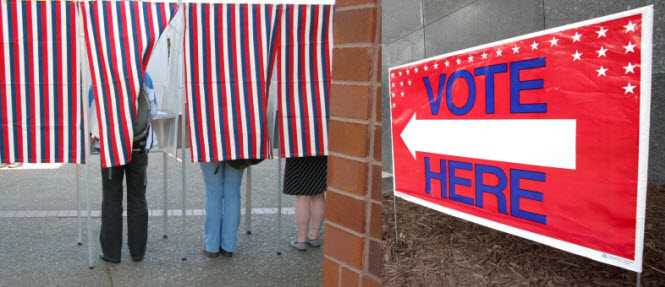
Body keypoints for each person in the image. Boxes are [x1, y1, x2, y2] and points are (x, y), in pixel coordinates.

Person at [99, 77, 158, 264]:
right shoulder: (144, 73)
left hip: (111, 146)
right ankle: (137, 252)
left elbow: (93, 110)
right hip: (139, 146)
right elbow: (153, 110)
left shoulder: (102, 72)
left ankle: (111, 253)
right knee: (138, 196)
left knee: (111, 197)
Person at [200, 160, 251, 257]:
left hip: (210, 147)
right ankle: (228, 246)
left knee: (213, 194)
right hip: (237, 149)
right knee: (233, 193)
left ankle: (212, 246)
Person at [283, 156, 327, 251]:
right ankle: (314, 236)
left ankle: (301, 239)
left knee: (303, 195)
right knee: (319, 193)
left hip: (301, 149)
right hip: (322, 148)